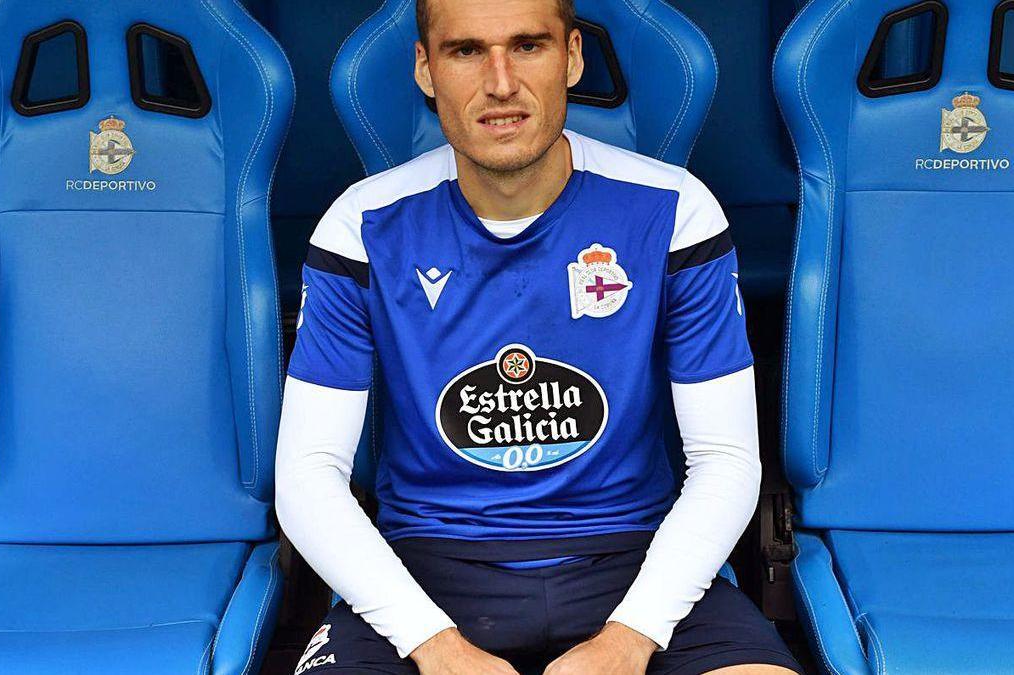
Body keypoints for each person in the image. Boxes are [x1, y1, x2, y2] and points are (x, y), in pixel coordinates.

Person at [275, 1, 801, 673]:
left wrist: (630, 635)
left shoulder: (674, 208)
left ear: (573, 57)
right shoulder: (361, 226)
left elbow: (726, 460)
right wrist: (435, 646)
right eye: (466, 51)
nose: (500, 82)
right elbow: (307, 475)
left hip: (635, 555)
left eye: (528, 46)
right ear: (425, 68)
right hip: (428, 566)